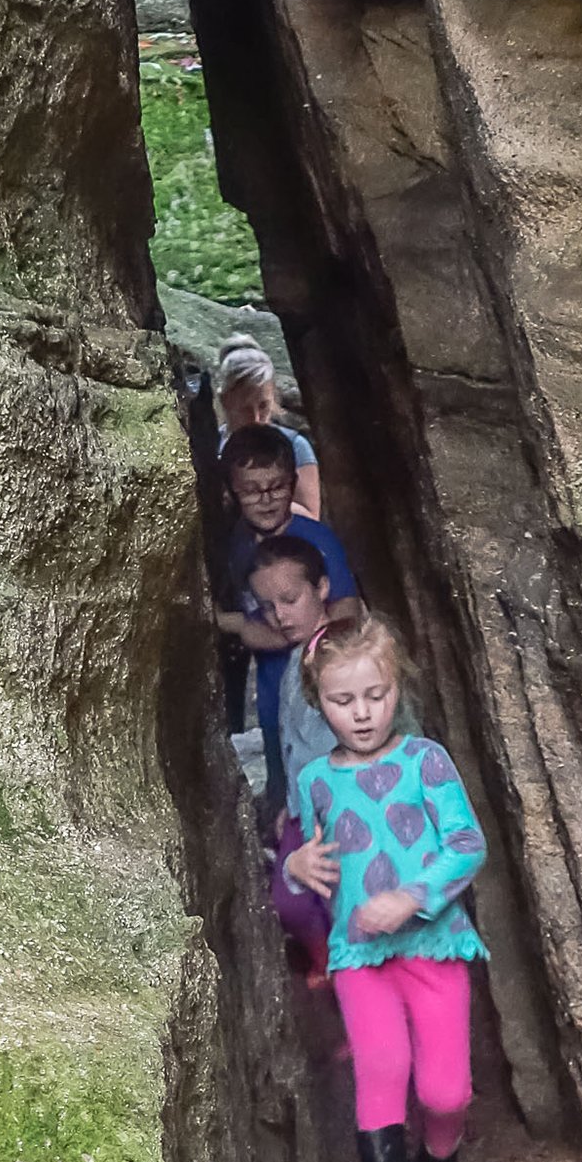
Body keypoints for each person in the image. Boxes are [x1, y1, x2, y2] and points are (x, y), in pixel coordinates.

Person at [287, 614, 487, 1162]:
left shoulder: (425, 760)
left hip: (435, 944)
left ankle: (438, 1160)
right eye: (344, 701)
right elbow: (296, 848)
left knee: (444, 1090)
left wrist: (412, 896)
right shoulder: (315, 779)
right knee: (380, 1067)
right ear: (319, 702)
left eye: (378, 695)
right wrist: (294, 865)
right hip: (358, 953)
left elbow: (465, 842)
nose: (364, 713)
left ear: (398, 687)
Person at [215, 426, 357, 817]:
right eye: (251, 490)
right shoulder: (238, 542)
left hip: (316, 692)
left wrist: (240, 628)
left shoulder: (315, 539)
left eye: (277, 487)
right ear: (231, 492)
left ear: (294, 482)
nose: (266, 499)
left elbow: (346, 611)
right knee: (282, 778)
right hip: (273, 690)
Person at [249, 532, 339, 979]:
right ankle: (329, 963)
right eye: (267, 607)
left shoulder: (340, 655)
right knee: (292, 899)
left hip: (341, 804)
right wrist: (290, 805)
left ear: (322, 587)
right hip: (305, 806)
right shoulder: (294, 657)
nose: (280, 616)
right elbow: (295, 745)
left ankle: (344, 974)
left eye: (290, 599)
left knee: (334, 898)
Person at [214, 334, 321, 516]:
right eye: (245, 409)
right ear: (225, 401)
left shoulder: (295, 446)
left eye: (263, 406)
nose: (256, 418)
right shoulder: (211, 446)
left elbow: (311, 516)